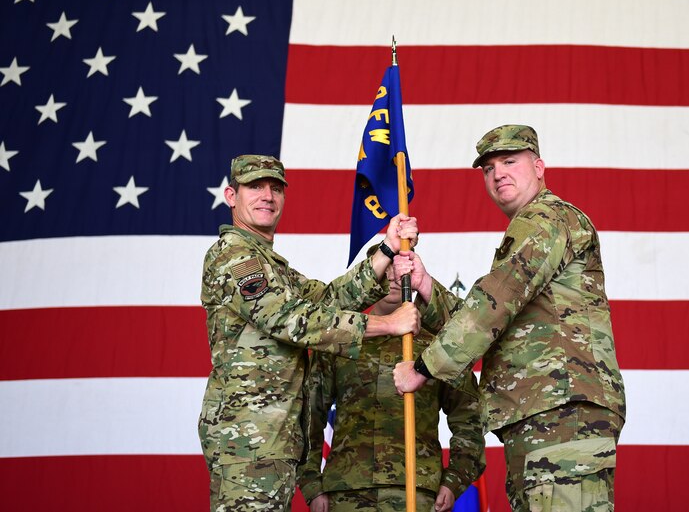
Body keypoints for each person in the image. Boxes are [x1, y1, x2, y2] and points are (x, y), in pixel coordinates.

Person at [392, 126, 627, 511]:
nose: (497, 173)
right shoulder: (534, 225)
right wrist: (426, 285)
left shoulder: (546, 218)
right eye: (488, 168)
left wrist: (423, 368)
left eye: (509, 161)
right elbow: (501, 319)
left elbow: (494, 304)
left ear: (538, 166)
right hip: (543, 412)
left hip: (562, 411)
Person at [199, 154, 421, 512]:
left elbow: (329, 300)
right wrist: (386, 324)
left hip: (275, 437)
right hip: (247, 438)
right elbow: (289, 318)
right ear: (230, 196)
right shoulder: (233, 255)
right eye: (254, 186)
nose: (267, 196)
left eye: (275, 188)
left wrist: (387, 249)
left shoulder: (272, 266)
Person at [297, 250, 486, 512]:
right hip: (346, 491)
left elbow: (470, 419)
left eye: (403, 267)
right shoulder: (343, 338)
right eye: (387, 267)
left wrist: (454, 481)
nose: (396, 276)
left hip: (417, 492)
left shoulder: (440, 344)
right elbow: (309, 415)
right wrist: (311, 484)